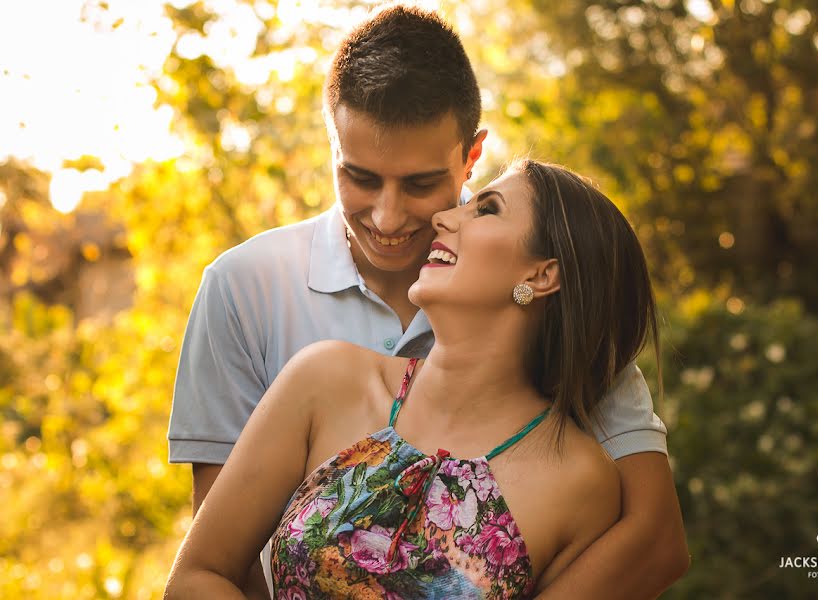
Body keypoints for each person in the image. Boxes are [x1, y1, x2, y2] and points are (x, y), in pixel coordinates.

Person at [167, 5, 689, 599]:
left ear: (471, 156)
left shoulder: (572, 383)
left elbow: (655, 536)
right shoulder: (249, 294)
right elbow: (215, 561)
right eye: (360, 177)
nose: (390, 218)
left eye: (419, 184)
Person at [167, 159, 657, 598]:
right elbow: (197, 576)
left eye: (486, 209)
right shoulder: (324, 380)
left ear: (543, 275)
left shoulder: (581, 484)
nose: (444, 217)